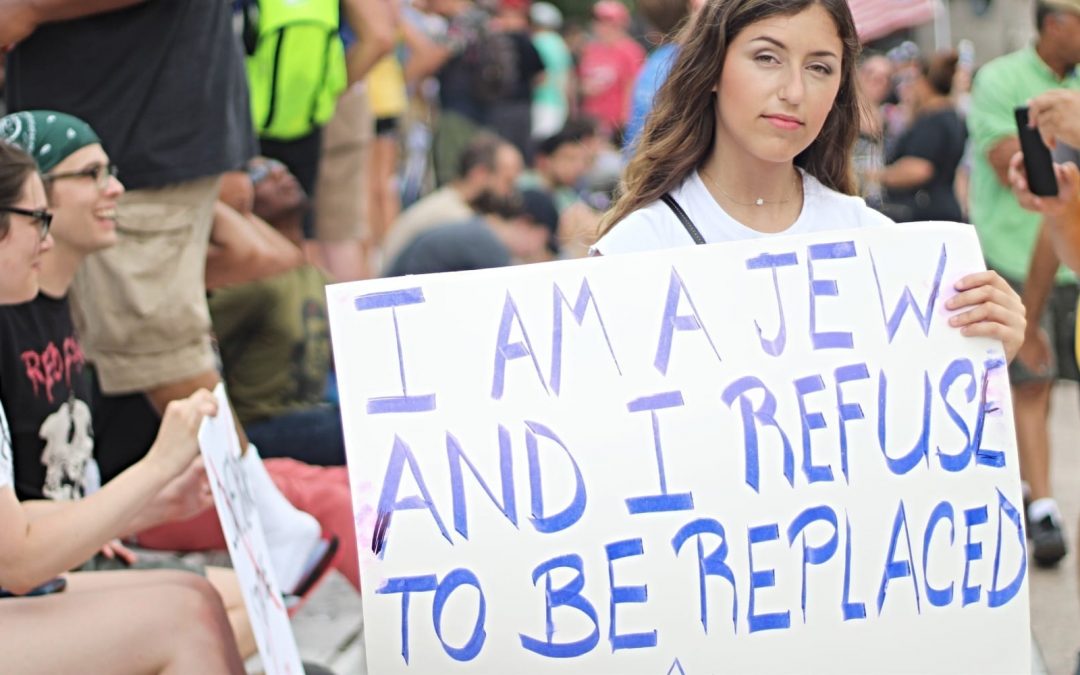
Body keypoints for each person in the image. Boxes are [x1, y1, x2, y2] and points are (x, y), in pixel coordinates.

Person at [2, 4, 344, 591]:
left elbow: (266, 260)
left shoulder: (61, 266)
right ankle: (271, 525)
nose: (112, 190)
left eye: (108, 175)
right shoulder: (32, 291)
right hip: (54, 540)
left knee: (160, 339)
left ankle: (271, 526)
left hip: (145, 114)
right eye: (92, 178)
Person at [593, 0, 1025, 363]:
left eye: (820, 67)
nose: (794, 91)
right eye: (767, 57)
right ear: (712, 69)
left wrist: (986, 347)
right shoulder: (637, 249)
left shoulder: (876, 245)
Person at [0, 111, 257, 657]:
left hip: (49, 556)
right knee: (197, 614)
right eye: (90, 174)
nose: (115, 188)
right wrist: (157, 468)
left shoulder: (48, 301)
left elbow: (24, 519)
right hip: (32, 574)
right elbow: (17, 554)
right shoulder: (12, 313)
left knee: (241, 601)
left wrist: (153, 501)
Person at [966, 0, 1080, 567]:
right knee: (1028, 384)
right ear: (1054, 21)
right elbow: (1008, 162)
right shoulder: (1001, 78)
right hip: (1014, 255)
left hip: (1068, 258)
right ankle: (1043, 508)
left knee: (1044, 384)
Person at [381, 131, 524, 267]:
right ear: (479, 174)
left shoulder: (447, 204)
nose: (509, 193)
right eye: (507, 181)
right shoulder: (454, 217)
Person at [874, 50, 967, 222]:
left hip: (926, 211)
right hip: (944, 206)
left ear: (924, 83)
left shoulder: (933, 121)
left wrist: (875, 175)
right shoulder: (952, 116)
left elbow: (918, 169)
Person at [578, 0, 645, 142]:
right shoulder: (591, 49)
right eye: (597, 20)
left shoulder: (630, 50)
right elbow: (582, 81)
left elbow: (633, 85)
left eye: (605, 21)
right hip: (591, 119)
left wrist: (626, 118)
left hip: (616, 123)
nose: (600, 26)